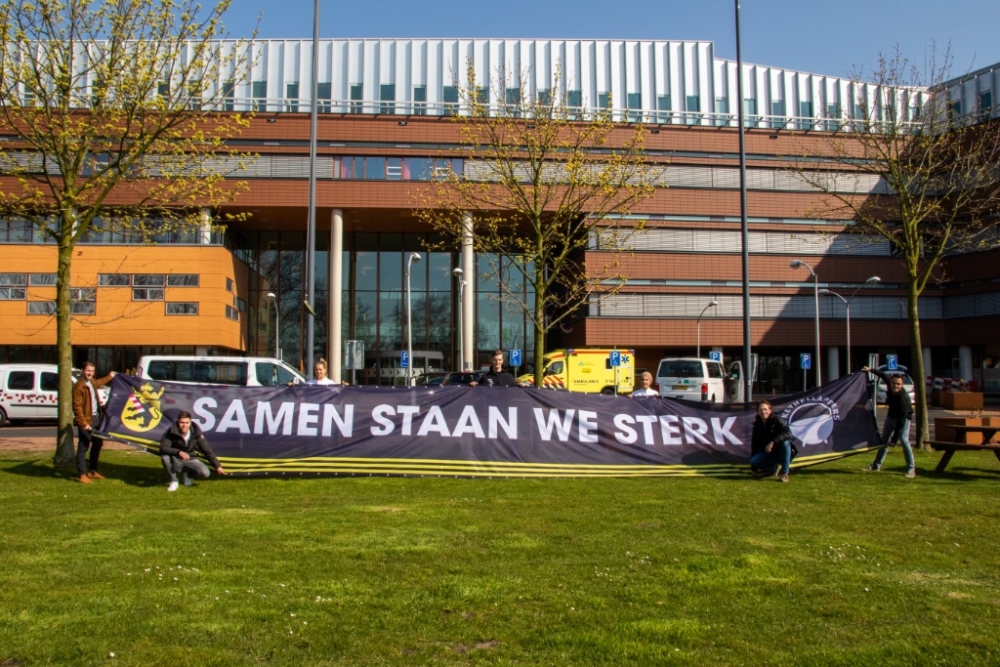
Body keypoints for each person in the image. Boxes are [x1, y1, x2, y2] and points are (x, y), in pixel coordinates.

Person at [861, 366, 915, 478]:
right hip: (891, 417)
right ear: (891, 383)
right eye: (894, 383)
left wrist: (894, 440)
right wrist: (870, 370)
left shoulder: (903, 400)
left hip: (903, 419)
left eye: (898, 384)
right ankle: (876, 466)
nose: (895, 386)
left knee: (904, 442)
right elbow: (883, 375)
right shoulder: (890, 387)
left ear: (902, 385)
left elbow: (901, 422)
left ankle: (911, 469)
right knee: (884, 442)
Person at [71, 362, 116, 484]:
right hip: (86, 420)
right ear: (82, 370)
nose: (90, 373)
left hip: (96, 418)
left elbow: (99, 382)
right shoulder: (78, 387)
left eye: (92, 371)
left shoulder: (91, 382)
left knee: (97, 444)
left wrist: (110, 376)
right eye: (87, 370)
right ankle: (81, 474)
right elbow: (77, 407)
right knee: (83, 447)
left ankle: (92, 471)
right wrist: (83, 423)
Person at [159, 411, 227, 492]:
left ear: (190, 422)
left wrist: (217, 466)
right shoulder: (170, 432)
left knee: (205, 473)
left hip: (191, 459)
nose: (184, 425)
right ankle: (174, 481)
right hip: (175, 460)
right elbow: (163, 448)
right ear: (178, 422)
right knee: (165, 457)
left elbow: (207, 450)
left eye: (187, 422)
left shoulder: (196, 433)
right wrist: (179, 452)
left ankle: (188, 475)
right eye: (182, 422)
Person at [749, 400, 797, 483]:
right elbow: (755, 445)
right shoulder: (756, 425)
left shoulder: (777, 419)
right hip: (768, 453)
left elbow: (788, 433)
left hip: (782, 451)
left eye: (765, 409)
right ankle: (774, 469)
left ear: (770, 410)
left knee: (786, 443)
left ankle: (785, 473)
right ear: (757, 412)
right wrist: (754, 470)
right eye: (760, 410)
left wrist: (772, 442)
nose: (763, 412)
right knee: (753, 461)